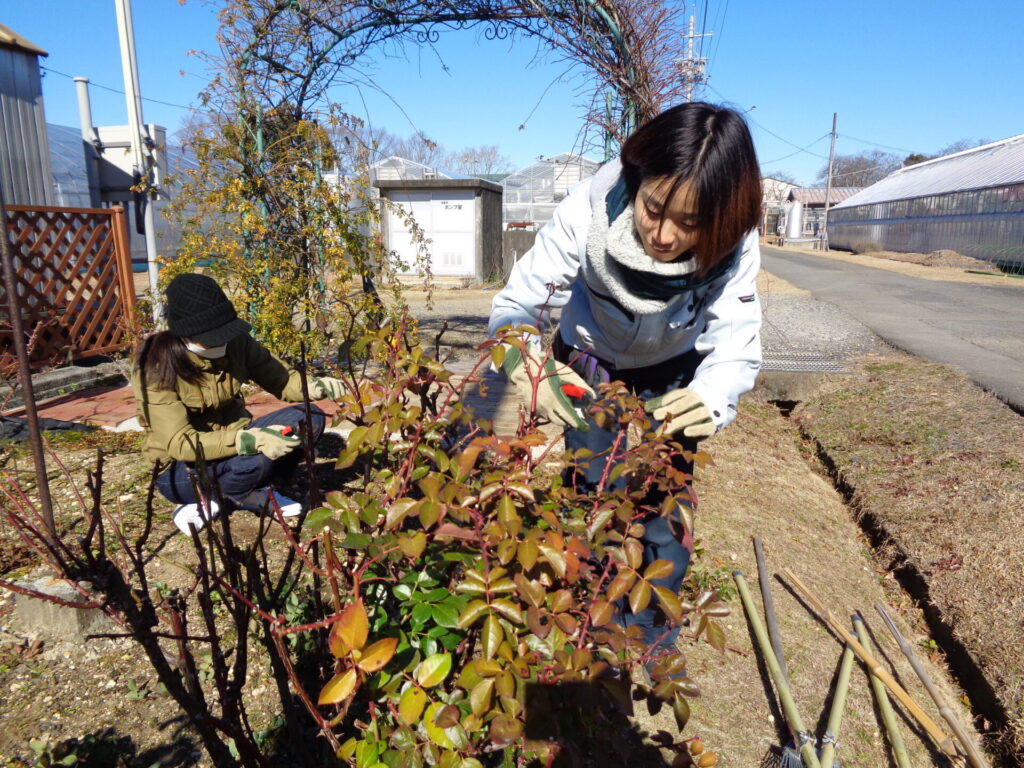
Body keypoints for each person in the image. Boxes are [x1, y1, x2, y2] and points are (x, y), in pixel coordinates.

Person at [489, 102, 763, 671]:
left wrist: (711, 396)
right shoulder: (589, 207)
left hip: (672, 374)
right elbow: (517, 301)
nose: (664, 235)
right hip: (591, 362)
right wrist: (526, 360)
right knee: (591, 495)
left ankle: (648, 641)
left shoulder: (735, 242)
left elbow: (736, 338)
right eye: (654, 208)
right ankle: (587, 623)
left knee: (664, 506)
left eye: (690, 224)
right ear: (636, 181)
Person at [131, 273, 345, 534]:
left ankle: (240, 490)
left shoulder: (237, 344)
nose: (222, 340)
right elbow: (179, 443)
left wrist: (315, 387)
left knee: (309, 418)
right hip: (182, 469)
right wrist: (249, 440)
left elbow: (282, 381)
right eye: (212, 335)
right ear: (186, 332)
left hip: (234, 447)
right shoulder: (156, 365)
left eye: (224, 331)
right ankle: (224, 496)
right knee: (254, 460)